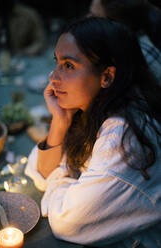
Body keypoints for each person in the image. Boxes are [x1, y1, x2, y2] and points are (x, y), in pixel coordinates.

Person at [25, 17, 161, 247]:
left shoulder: (124, 137)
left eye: (68, 66)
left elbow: (67, 220)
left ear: (106, 76)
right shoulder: (89, 108)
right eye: (56, 62)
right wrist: (60, 121)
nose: (52, 77)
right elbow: (40, 169)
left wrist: (61, 179)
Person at [89, 0, 161, 84]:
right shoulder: (140, 44)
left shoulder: (137, 58)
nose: (87, 18)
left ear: (116, 26)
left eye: (94, 17)